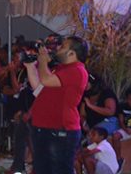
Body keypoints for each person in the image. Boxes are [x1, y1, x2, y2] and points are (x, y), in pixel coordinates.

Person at [24, 36, 90, 174]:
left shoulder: (76, 70)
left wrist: (43, 61)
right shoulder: (61, 69)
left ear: (72, 53)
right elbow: (38, 89)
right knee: (43, 169)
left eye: (63, 46)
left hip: (60, 129)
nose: (58, 48)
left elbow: (46, 79)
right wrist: (30, 67)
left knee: (59, 170)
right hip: (44, 127)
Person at [111, 87, 131, 174]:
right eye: (129, 99)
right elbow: (121, 120)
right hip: (126, 129)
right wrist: (125, 129)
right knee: (115, 136)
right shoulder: (122, 106)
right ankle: (119, 159)